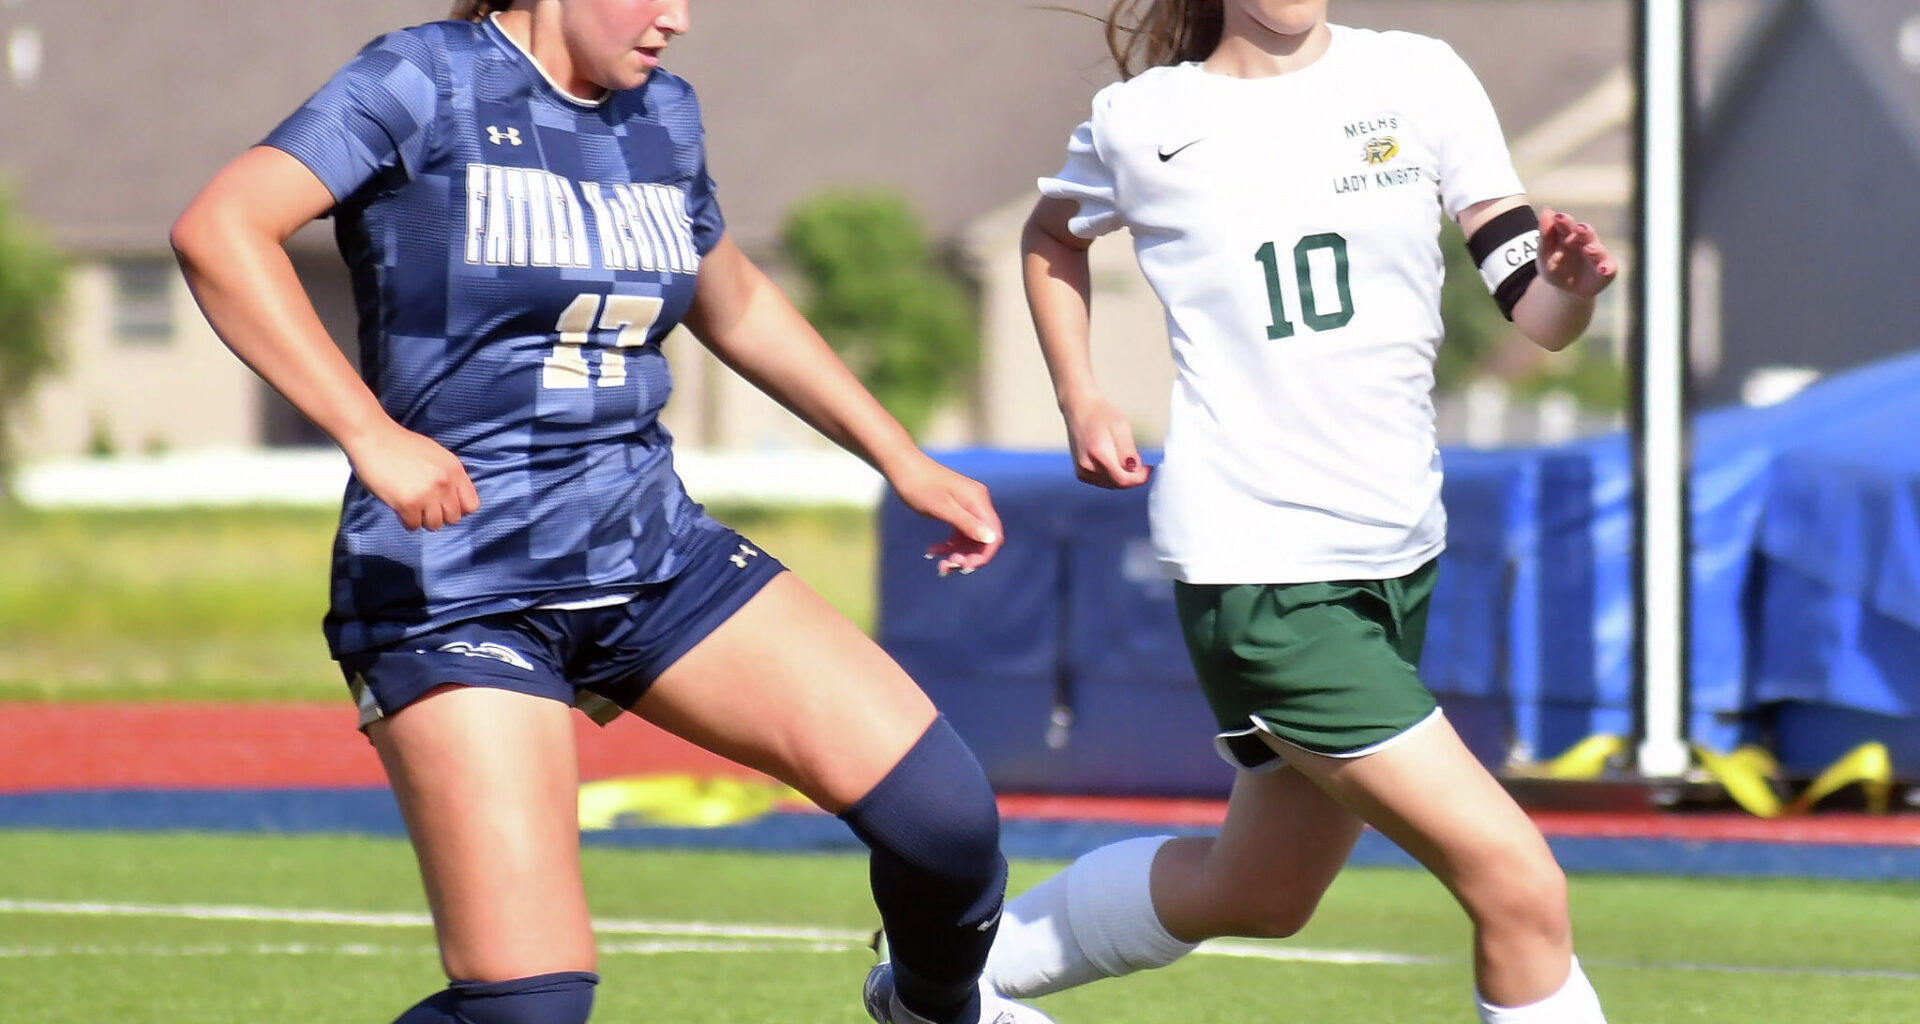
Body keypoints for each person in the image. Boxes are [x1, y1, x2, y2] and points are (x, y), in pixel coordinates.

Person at [168, 3, 1051, 1023]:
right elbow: (222, 228)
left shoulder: (660, 113)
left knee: (946, 827)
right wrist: (370, 433)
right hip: (457, 582)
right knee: (528, 1007)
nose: (679, 17)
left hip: (651, 554)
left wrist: (902, 456)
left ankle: (935, 1011)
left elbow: (733, 297)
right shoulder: (423, 77)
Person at [980, 2, 1620, 1022]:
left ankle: (948, 973)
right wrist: (1081, 395)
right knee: (1519, 881)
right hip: (1264, 567)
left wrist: (1571, 288)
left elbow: (1535, 310)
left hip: (1399, 551)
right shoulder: (1141, 120)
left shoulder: (1423, 77)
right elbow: (1052, 235)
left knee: (1262, 890)